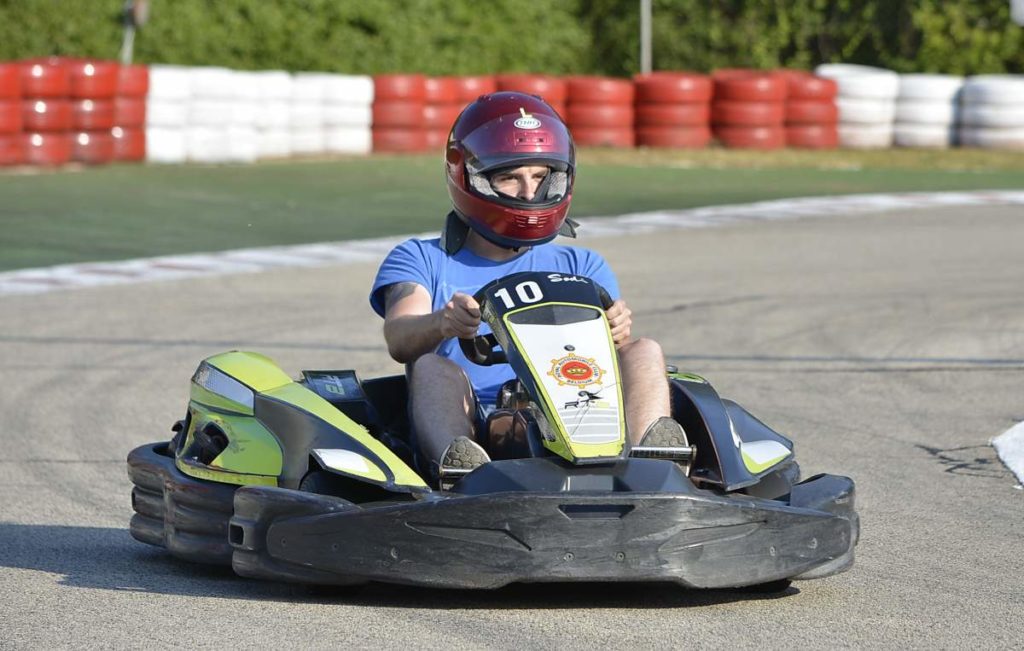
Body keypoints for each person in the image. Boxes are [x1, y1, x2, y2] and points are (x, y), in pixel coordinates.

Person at [369, 91, 686, 484]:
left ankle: (654, 470)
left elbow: (609, 360)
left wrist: (616, 330)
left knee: (644, 350)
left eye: (540, 177)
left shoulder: (582, 265)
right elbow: (399, 337)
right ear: (472, 178)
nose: (529, 193)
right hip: (478, 421)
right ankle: (465, 476)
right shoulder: (422, 258)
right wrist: (442, 323)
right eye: (510, 178)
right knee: (429, 365)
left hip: (579, 411)